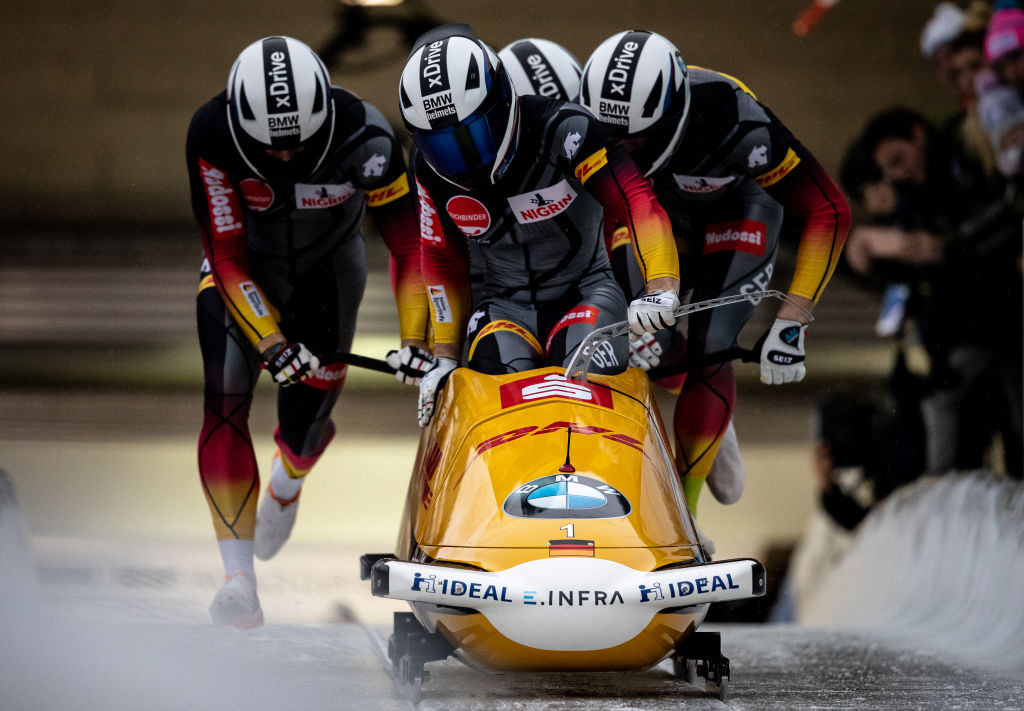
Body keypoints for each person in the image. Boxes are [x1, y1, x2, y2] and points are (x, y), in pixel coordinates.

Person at [187, 36, 429, 628]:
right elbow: (224, 250)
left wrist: (419, 341)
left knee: (304, 428)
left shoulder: (367, 139)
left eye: (299, 143)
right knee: (224, 401)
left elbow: (409, 245)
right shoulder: (211, 134)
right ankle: (238, 581)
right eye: (273, 146)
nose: (288, 156)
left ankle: (289, 476)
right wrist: (270, 340)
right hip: (246, 270)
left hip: (329, 278)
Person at [580, 30, 851, 514]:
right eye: (608, 136)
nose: (621, 149)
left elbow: (828, 209)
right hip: (655, 212)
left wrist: (791, 322)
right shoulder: (586, 126)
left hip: (739, 210)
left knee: (710, 345)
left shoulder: (735, 119)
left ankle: (686, 513)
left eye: (634, 139)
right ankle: (709, 414)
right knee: (634, 337)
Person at [398, 24, 680, 427]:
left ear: (501, 103)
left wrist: (661, 286)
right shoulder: (427, 169)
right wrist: (444, 357)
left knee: (580, 374)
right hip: (504, 307)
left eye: (474, 136)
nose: (465, 160)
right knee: (494, 377)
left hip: (587, 295)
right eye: (443, 145)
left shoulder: (566, 130)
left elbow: (637, 199)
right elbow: (440, 254)